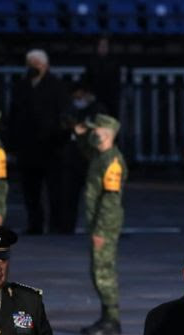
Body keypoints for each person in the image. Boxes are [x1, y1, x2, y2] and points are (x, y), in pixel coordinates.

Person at [7, 49, 72, 235]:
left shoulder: (57, 86)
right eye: (31, 63)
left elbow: (64, 114)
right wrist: (11, 145)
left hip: (51, 146)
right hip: (28, 147)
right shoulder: (21, 86)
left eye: (37, 63)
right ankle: (35, 224)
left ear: (46, 66)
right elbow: (14, 116)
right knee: (30, 191)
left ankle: (57, 224)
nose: (33, 67)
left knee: (55, 190)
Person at [74, 114, 127, 335]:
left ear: (106, 134)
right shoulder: (100, 156)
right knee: (98, 270)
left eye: (95, 131)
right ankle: (107, 316)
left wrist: (101, 230)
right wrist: (80, 135)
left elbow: (110, 199)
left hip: (105, 225)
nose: (92, 135)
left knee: (103, 271)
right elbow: (84, 150)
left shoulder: (112, 162)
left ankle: (111, 320)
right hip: (97, 222)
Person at [63, 80, 108, 235]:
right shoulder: (72, 109)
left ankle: (99, 227)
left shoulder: (98, 110)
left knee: (96, 196)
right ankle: (66, 226)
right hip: (73, 158)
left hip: (91, 158)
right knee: (69, 195)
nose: (77, 99)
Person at [83, 35, 121, 117]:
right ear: (97, 47)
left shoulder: (114, 62)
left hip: (110, 100)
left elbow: (116, 83)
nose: (103, 48)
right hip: (95, 99)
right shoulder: (91, 62)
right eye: (101, 45)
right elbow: (87, 80)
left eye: (105, 45)